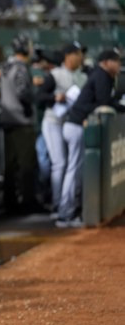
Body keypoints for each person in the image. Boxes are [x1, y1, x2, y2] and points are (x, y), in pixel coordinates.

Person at [59, 48, 124, 228]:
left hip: (76, 125)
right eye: (115, 61)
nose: (118, 64)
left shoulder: (101, 75)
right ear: (105, 62)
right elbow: (104, 103)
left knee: (76, 171)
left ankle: (69, 211)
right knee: (73, 171)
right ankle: (65, 214)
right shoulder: (102, 75)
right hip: (76, 125)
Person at [37, 42, 85, 222]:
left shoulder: (82, 76)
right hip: (53, 121)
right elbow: (39, 98)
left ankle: (67, 203)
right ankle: (58, 205)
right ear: (68, 56)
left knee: (68, 164)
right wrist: (54, 97)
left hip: (69, 122)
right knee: (60, 163)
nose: (80, 57)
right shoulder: (55, 74)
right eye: (77, 54)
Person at [0, 35, 42, 213]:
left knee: (10, 165)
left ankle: (10, 201)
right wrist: (34, 101)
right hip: (20, 120)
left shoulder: (6, 66)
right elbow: (23, 91)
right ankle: (28, 202)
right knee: (26, 165)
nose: (31, 50)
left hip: (7, 120)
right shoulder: (20, 67)